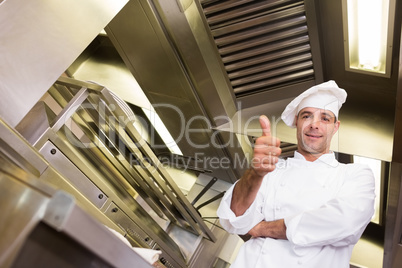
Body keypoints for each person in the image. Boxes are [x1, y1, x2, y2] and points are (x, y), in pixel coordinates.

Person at [217, 80, 375, 267]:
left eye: (325, 118)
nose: (314, 125)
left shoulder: (355, 174)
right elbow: (235, 220)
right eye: (307, 116)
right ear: (297, 123)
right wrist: (255, 173)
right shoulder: (272, 170)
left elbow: (344, 222)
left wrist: (262, 228)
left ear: (336, 127)